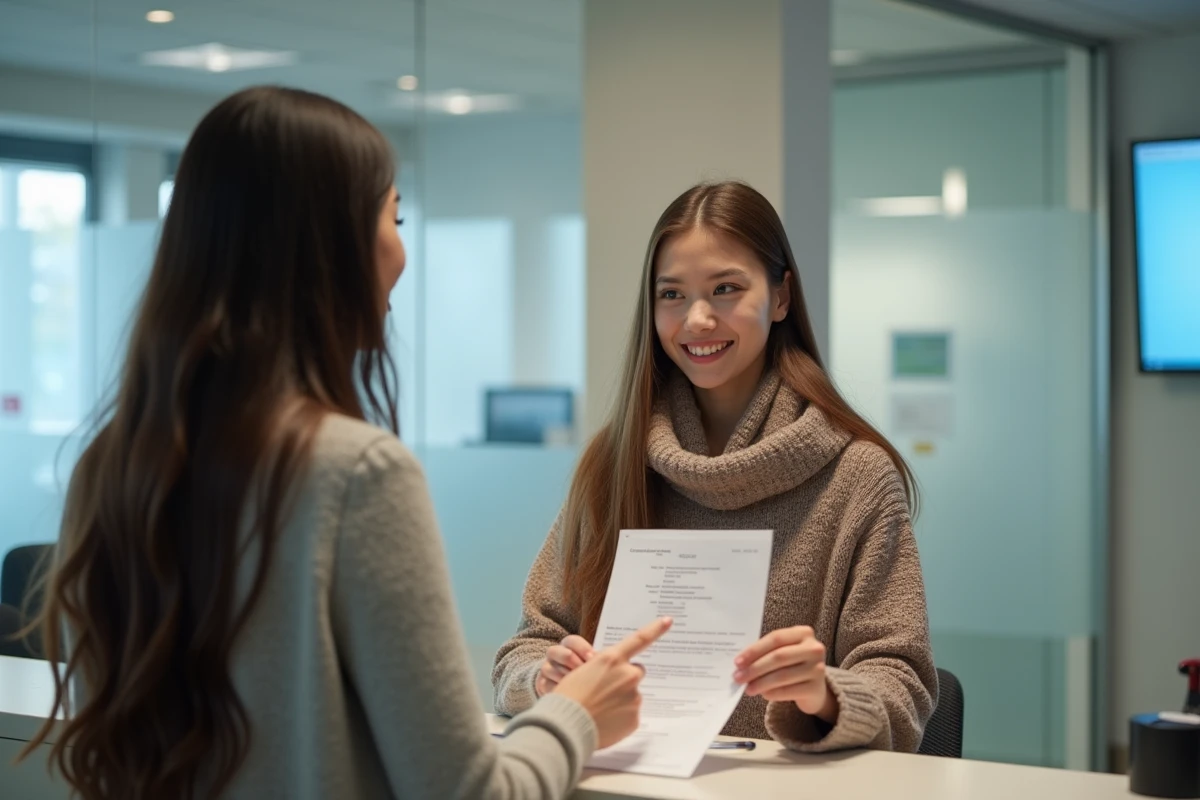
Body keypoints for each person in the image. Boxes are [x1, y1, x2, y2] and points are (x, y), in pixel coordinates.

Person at [18, 85, 671, 800]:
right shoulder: (357, 473)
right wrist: (574, 715)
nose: (401, 252)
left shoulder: (112, 466)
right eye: (392, 217)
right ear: (323, 245)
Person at [493, 180, 938, 753]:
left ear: (781, 298)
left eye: (726, 289)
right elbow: (524, 651)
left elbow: (903, 686)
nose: (697, 319)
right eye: (672, 295)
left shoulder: (856, 474)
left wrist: (824, 694)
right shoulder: (615, 462)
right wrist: (545, 678)